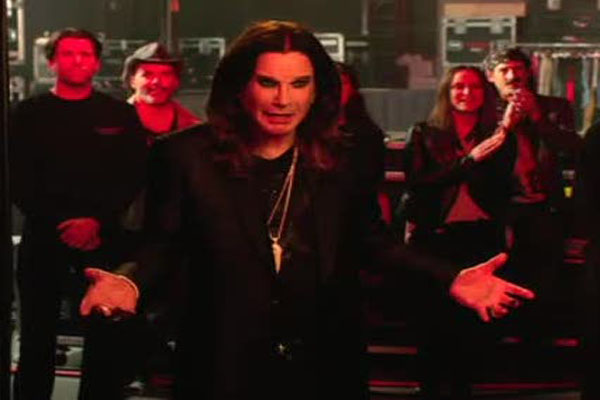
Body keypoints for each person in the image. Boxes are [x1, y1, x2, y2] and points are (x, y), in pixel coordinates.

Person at [80, 20, 534, 400]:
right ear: (240, 86)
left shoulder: (342, 158)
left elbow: (373, 241)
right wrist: (128, 281)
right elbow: (161, 245)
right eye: (268, 83)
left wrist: (450, 277)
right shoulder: (183, 155)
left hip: (325, 361)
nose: (284, 100)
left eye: (299, 84)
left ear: (318, 90)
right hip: (223, 361)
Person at [9, 28, 147, 400]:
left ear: (97, 63)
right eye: (68, 54)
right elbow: (17, 178)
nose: (77, 61)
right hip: (43, 238)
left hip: (103, 239)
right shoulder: (27, 114)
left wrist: (96, 221)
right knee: (36, 336)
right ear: (52, 62)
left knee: (104, 338)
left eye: (85, 55)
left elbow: (133, 174)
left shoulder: (119, 114)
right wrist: (60, 223)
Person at [400, 66, 516, 399]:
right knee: (432, 323)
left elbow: (502, 190)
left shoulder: (497, 137)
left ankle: (462, 387)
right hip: (435, 238)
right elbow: (419, 183)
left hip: (478, 238)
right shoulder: (424, 132)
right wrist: (468, 162)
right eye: (459, 87)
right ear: (447, 93)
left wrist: (506, 132)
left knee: (470, 326)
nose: (467, 93)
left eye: (475, 87)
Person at [483, 47, 582, 337]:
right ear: (491, 76)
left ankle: (536, 345)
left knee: (542, 286)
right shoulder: (484, 110)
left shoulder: (554, 107)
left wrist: (538, 117)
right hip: (498, 211)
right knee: (500, 282)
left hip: (544, 209)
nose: (512, 76)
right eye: (504, 70)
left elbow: (571, 149)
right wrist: (505, 125)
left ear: (529, 72)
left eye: (518, 69)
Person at [122, 41, 201, 144]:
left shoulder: (192, 128)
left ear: (176, 81)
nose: (156, 82)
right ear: (132, 81)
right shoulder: (111, 124)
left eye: (165, 75)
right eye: (148, 74)